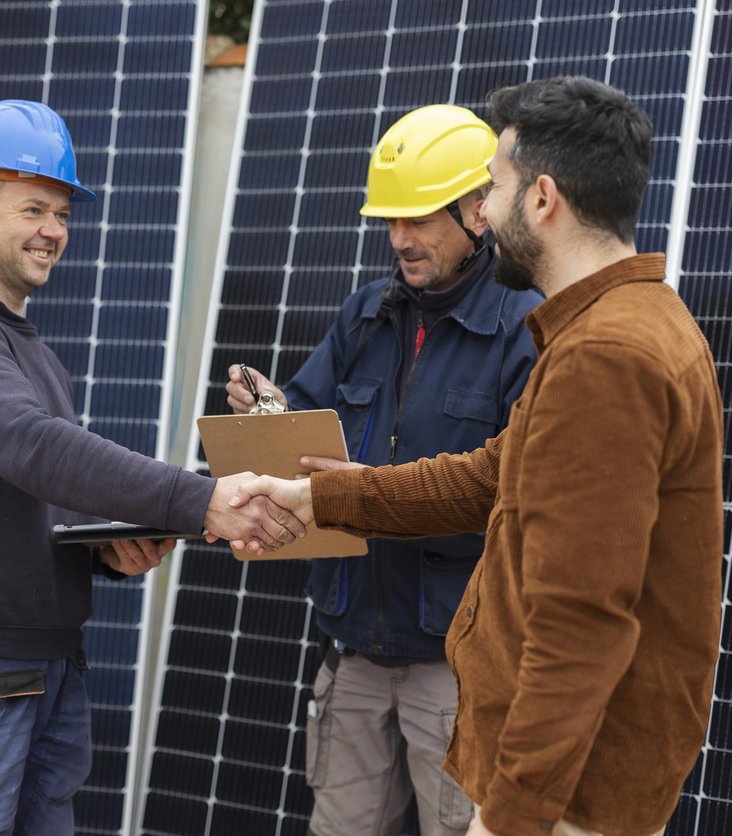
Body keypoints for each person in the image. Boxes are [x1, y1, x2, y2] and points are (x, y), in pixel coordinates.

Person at [230, 76, 724, 836]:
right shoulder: (623, 326)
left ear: (542, 199)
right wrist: (319, 498)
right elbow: (490, 476)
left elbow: (580, 626)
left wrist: (510, 818)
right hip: (563, 773)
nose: (487, 209)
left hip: (568, 797)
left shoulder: (607, 357)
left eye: (494, 188)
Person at [0, 99, 305, 836]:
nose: (54, 231)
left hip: (46, 669)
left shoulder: (32, 353)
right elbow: (33, 448)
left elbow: (38, 494)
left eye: (63, 213)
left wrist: (105, 552)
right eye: (33, 208)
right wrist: (197, 499)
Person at [225, 105, 541, 836]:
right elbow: (302, 442)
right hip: (354, 652)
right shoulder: (364, 315)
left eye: (419, 217)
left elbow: (513, 498)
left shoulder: (526, 329)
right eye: (389, 219)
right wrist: (270, 415)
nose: (399, 238)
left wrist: (359, 491)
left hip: (458, 668)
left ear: (478, 211)